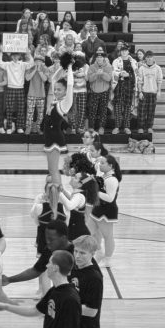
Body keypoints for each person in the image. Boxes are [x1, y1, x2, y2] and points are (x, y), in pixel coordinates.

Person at [2, 219, 73, 295]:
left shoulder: (78, 252)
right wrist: (9, 279)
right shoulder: (49, 251)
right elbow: (35, 271)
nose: (48, 242)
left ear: (63, 238)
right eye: (46, 238)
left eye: (51, 239)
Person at [43, 58, 74, 188]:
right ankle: (55, 194)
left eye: (59, 90)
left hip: (56, 138)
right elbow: (53, 79)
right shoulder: (55, 100)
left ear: (65, 92)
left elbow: (70, 85)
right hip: (49, 137)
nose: (55, 91)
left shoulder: (65, 104)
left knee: (54, 169)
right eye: (55, 90)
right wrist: (62, 67)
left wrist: (70, 67)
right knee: (51, 169)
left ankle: (58, 197)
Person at [87, 154, 122, 268]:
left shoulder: (112, 180)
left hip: (107, 211)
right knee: (90, 233)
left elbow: (110, 198)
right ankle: (99, 252)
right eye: (100, 163)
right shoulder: (104, 175)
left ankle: (107, 259)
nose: (100, 165)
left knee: (108, 236)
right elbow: (96, 166)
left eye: (103, 163)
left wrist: (95, 192)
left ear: (110, 166)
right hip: (97, 208)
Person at [0, 48, 34, 134]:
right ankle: (9, 127)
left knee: (21, 108)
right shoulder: (8, 64)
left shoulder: (23, 64)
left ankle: (19, 127)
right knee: (9, 108)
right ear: (11, 56)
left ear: (19, 56)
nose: (15, 57)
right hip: (10, 87)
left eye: (17, 55)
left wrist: (28, 53)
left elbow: (31, 64)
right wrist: (1, 52)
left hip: (20, 88)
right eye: (13, 55)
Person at [59, 172, 98, 241]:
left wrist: (59, 193)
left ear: (80, 184)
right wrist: (63, 191)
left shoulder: (79, 196)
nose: (72, 177)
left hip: (78, 232)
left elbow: (69, 206)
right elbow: (71, 198)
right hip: (75, 229)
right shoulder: (78, 194)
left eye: (75, 177)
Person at [112, 42, 137, 135]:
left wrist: (129, 75)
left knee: (127, 107)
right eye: (122, 51)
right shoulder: (116, 61)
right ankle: (117, 126)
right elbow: (113, 72)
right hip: (119, 85)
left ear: (128, 51)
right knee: (117, 107)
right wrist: (120, 74)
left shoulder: (133, 62)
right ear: (120, 51)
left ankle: (126, 126)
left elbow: (136, 75)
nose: (124, 52)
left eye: (125, 51)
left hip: (129, 86)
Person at [137, 50, 163, 133]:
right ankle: (140, 127)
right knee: (141, 111)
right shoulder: (141, 68)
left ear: (153, 58)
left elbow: (159, 80)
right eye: (147, 57)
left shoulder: (158, 68)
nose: (149, 59)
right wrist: (140, 92)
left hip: (153, 92)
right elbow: (139, 81)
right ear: (145, 58)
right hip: (144, 92)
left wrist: (158, 91)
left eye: (150, 57)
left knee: (151, 111)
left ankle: (149, 127)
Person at [87, 51, 113, 135]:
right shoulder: (91, 67)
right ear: (95, 58)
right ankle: (91, 127)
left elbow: (109, 79)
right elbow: (89, 79)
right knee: (92, 111)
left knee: (103, 111)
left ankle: (101, 127)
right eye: (97, 57)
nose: (99, 59)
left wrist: (102, 74)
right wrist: (96, 74)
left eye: (101, 57)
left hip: (104, 92)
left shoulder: (108, 66)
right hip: (94, 91)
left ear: (104, 58)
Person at [25, 54, 48, 135]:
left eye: (40, 61)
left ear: (42, 62)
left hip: (41, 94)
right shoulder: (30, 68)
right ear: (34, 62)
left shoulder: (45, 69)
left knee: (40, 113)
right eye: (36, 61)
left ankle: (38, 127)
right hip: (31, 93)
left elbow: (45, 79)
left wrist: (39, 70)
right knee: (30, 112)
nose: (38, 62)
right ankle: (28, 127)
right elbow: (27, 78)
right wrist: (34, 69)